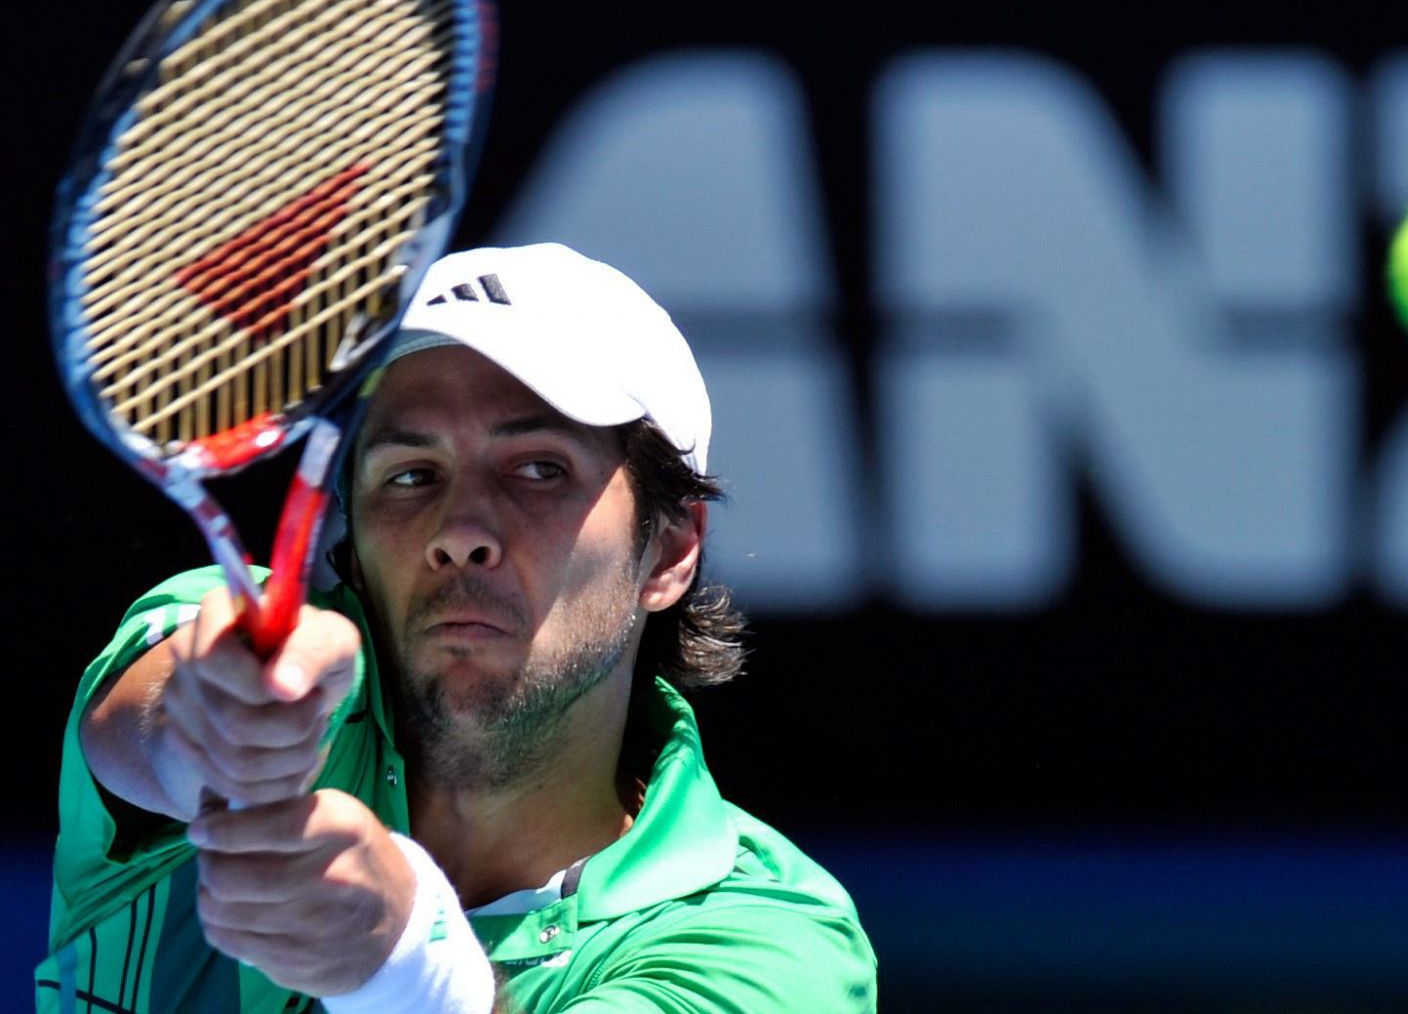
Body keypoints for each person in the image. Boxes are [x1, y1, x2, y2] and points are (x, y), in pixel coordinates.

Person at [36, 244, 878, 1013]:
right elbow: (148, 728)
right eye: (411, 474)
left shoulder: (772, 942)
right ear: (355, 549)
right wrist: (213, 725)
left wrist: (406, 963)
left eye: (539, 468)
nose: (460, 528)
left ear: (669, 550)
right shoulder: (240, 644)